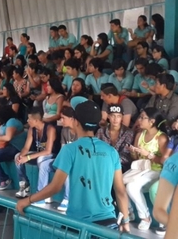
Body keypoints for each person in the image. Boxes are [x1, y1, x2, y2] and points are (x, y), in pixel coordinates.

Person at [15, 99, 130, 233]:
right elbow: (120, 191)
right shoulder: (111, 152)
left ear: (75, 121)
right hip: (108, 223)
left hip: (78, 223)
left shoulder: (69, 150)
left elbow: (55, 187)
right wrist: (126, 221)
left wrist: (28, 200)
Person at [15, 107, 68, 212]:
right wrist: (22, 156)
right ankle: (24, 186)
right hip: (39, 154)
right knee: (17, 156)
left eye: (29, 119)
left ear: (36, 120)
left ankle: (44, 193)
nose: (27, 121)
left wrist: (28, 157)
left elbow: (48, 151)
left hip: (52, 155)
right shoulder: (31, 129)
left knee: (41, 159)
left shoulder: (50, 129)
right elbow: (26, 147)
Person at [126, 108, 169, 231]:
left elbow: (163, 161)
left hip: (156, 170)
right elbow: (135, 158)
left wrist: (148, 154)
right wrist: (134, 151)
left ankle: (145, 217)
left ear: (152, 121)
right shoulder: (140, 134)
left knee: (131, 186)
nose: (139, 120)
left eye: (142, 117)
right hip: (142, 169)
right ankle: (130, 213)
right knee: (122, 182)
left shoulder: (161, 138)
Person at [96, 105, 134, 173]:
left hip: (122, 167)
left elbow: (126, 156)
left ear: (122, 117)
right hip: (103, 165)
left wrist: (109, 159)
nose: (115, 119)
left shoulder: (129, 133)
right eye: (113, 115)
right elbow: (96, 149)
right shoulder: (101, 131)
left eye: (118, 116)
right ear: (108, 116)